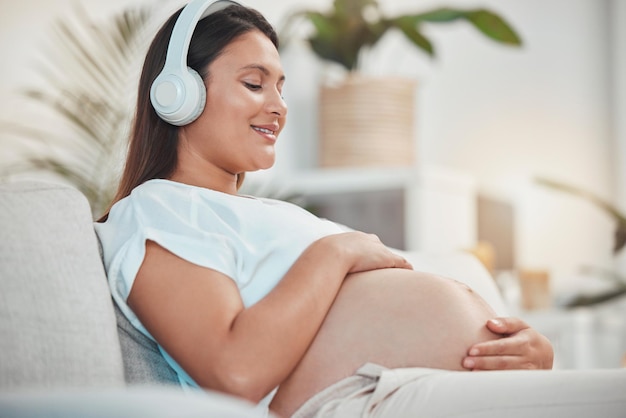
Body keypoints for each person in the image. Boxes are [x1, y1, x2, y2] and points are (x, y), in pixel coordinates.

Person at [95, 2, 626, 418]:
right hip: (357, 400)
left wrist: (528, 355)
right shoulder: (159, 210)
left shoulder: (260, 213)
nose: (278, 105)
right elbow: (235, 373)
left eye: (281, 86)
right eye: (254, 83)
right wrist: (335, 252)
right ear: (177, 95)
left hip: (408, 388)